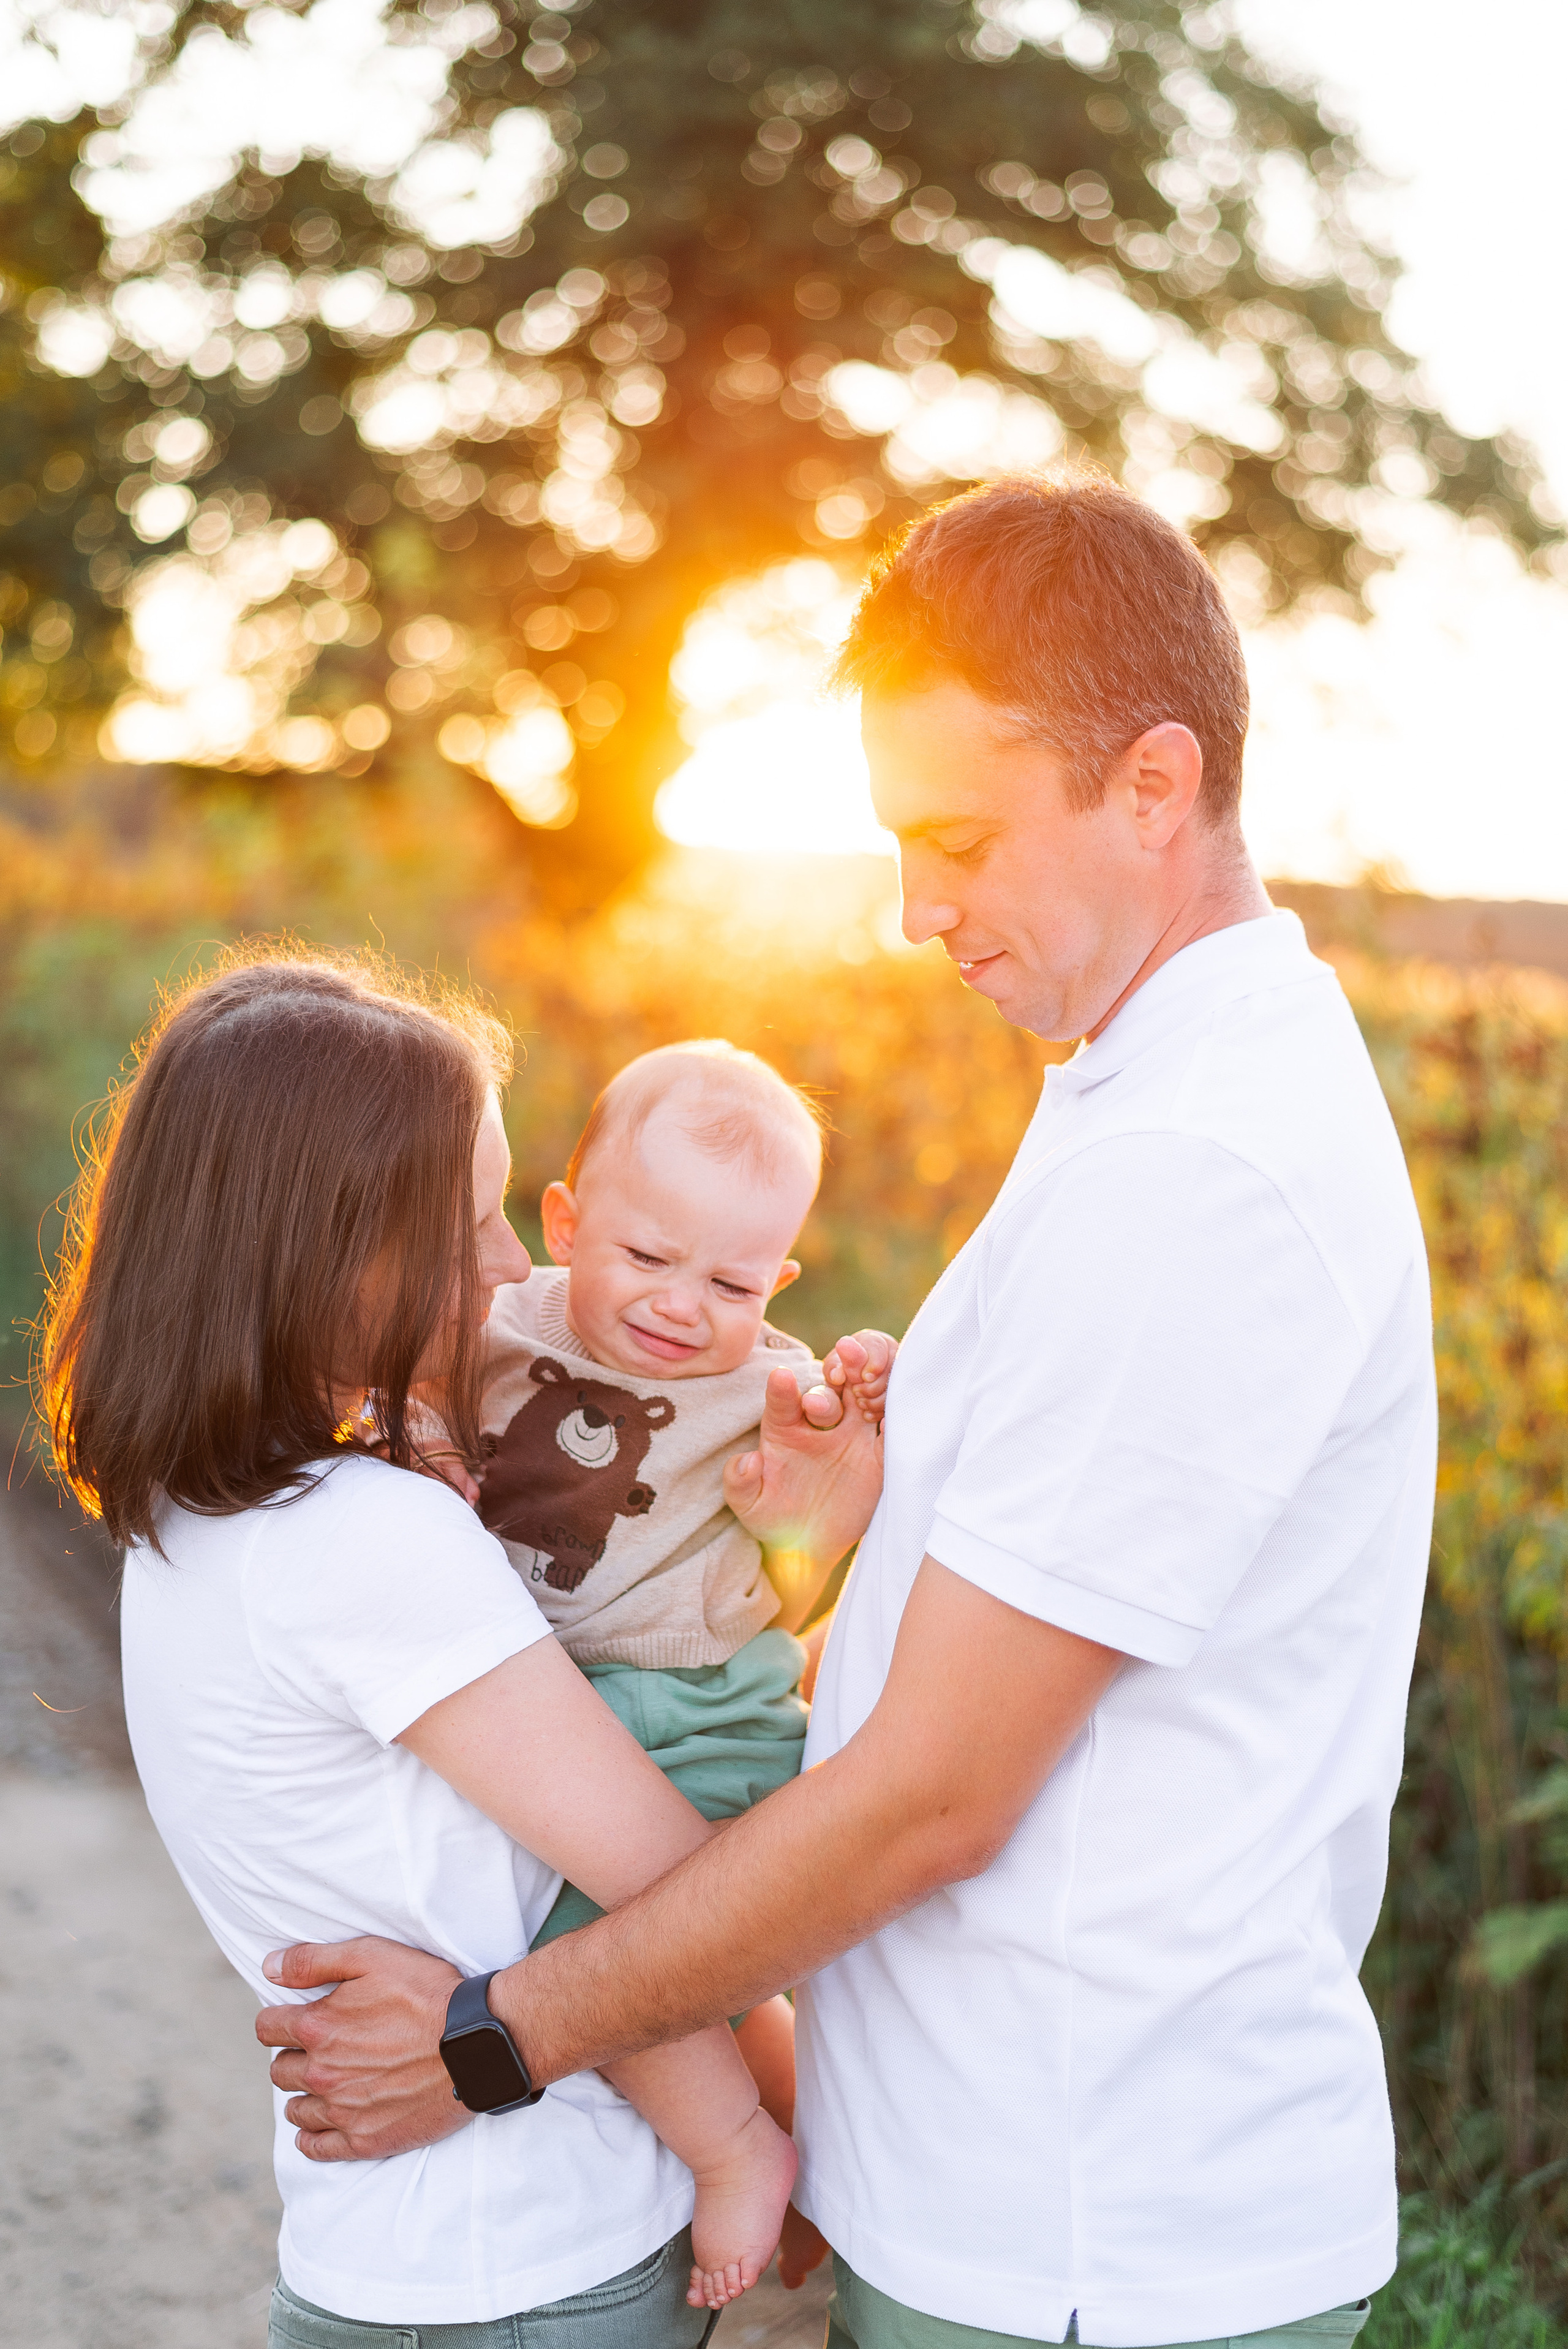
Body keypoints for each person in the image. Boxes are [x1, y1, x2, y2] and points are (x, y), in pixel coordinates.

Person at [257, 474, 1438, 2349]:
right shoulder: (1138, 1096)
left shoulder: (1200, 1170)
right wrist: (821, 1548)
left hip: (1090, 2245)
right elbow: (972, 1665)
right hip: (1006, 2201)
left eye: (958, 840)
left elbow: (939, 1797)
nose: (914, 911)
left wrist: (494, 2035)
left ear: (1154, 785)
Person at [37, 953, 884, 2345]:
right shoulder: (368, 1536)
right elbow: (681, 1892)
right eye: (470, 1222)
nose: (509, 1266)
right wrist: (782, 2126)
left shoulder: (202, 1511)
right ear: (328, 1252)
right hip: (527, 2268)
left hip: (404, 2259)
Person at [432, 1037, 892, 2237]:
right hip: (553, 1714)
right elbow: (408, 1398)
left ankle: (735, 2152)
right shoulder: (497, 1327)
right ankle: (804, 2137)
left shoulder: (769, 1392)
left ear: (778, 1282)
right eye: (646, 1258)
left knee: (611, 1957)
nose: (682, 1307)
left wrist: (831, 1453)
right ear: (565, 1222)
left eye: (734, 1286)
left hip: (702, 1718)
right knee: (695, 1980)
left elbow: (803, 1546)